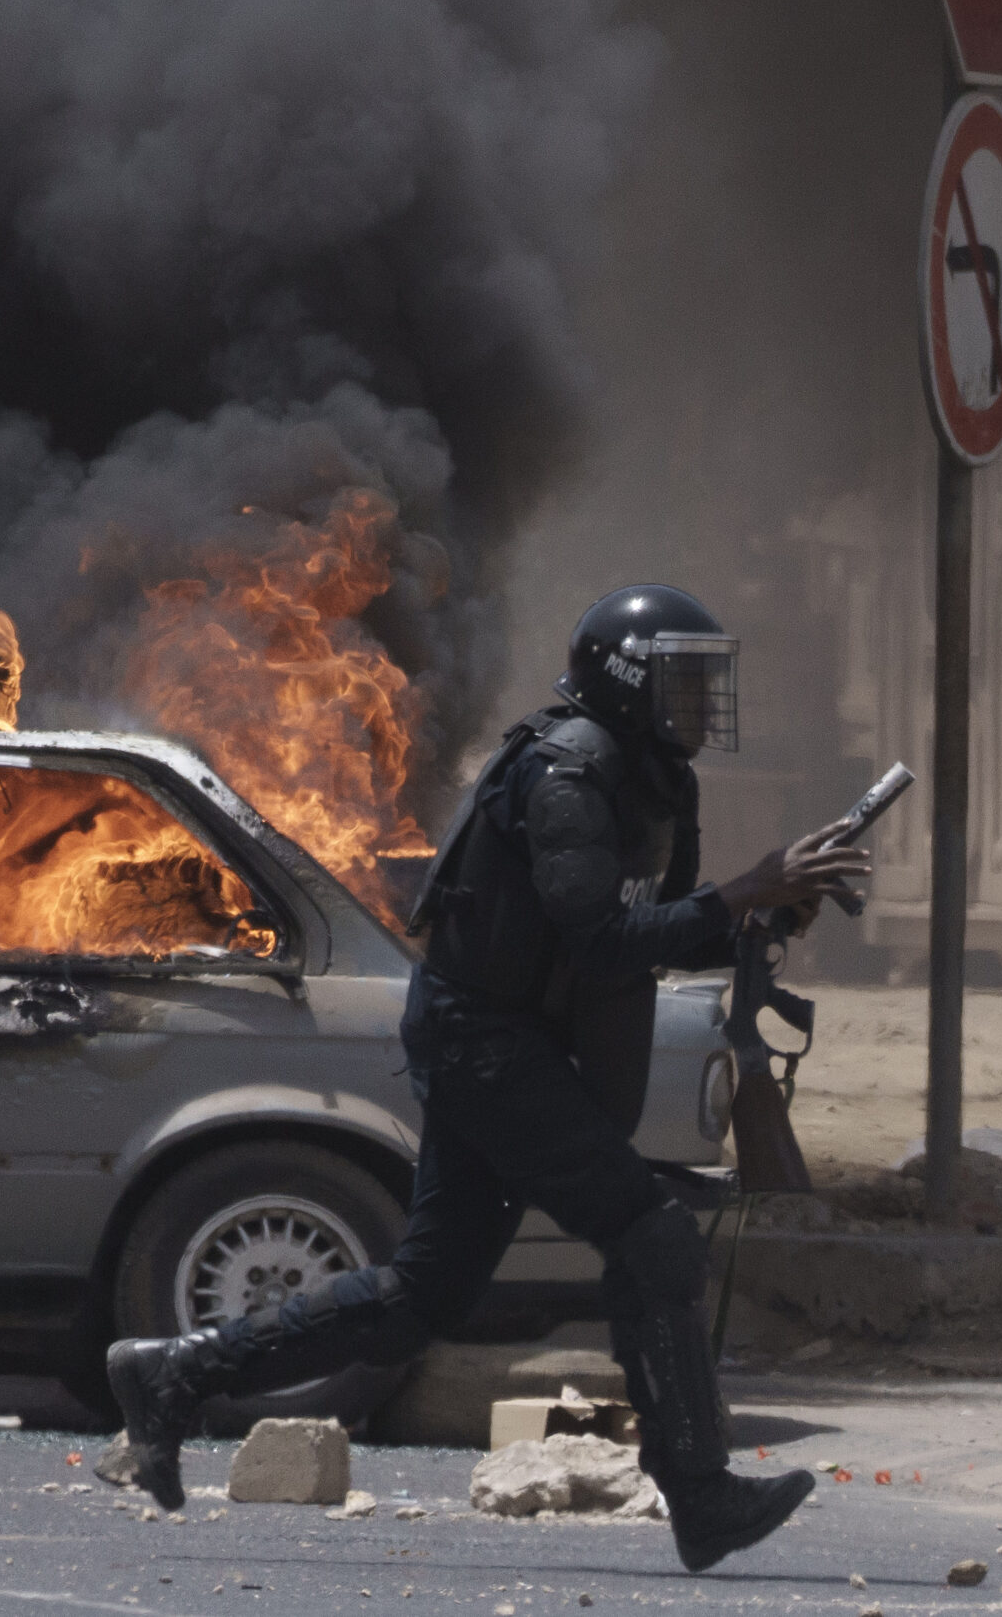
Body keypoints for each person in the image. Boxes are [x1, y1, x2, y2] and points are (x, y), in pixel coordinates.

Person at [108, 584, 870, 1573]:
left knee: (423, 1296)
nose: (696, 701)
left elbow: (655, 933)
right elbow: (597, 940)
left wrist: (763, 917)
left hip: (517, 1043)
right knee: (654, 1239)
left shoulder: (655, 777)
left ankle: (171, 1374)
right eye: (681, 677)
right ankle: (703, 1496)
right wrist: (741, 893)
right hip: (485, 1044)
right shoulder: (565, 773)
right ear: (629, 680)